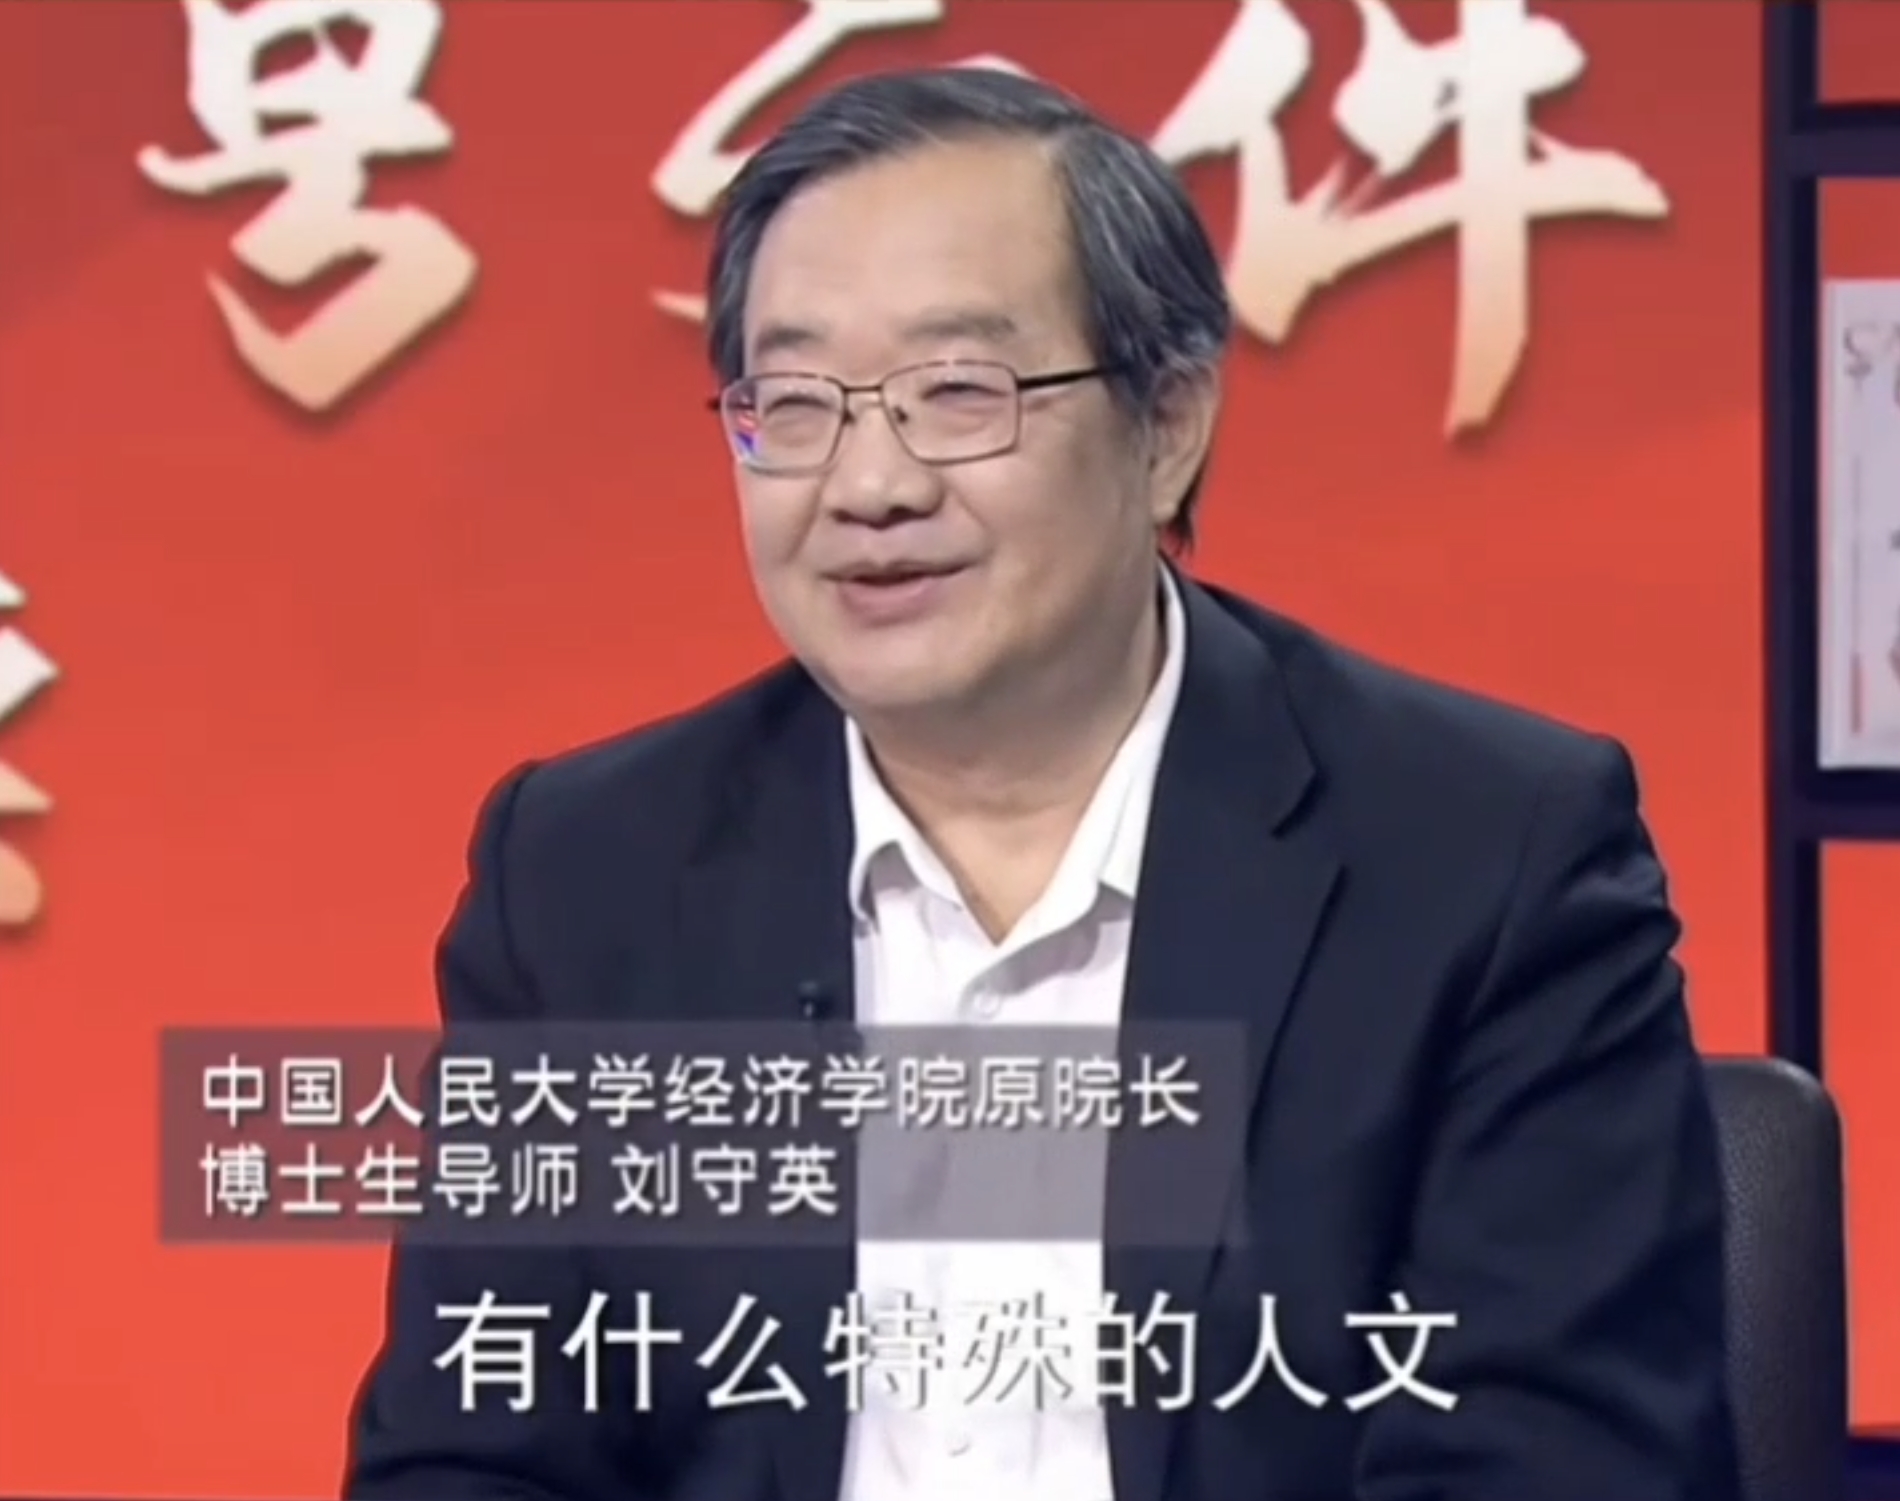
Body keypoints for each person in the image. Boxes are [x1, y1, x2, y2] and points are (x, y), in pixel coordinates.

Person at [344, 65, 1738, 1501]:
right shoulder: (586, 878)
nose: (870, 485)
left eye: (959, 392)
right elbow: (473, 1454)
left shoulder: (1483, 859)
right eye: (796, 403)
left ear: (1168, 426)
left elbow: (1558, 1466)